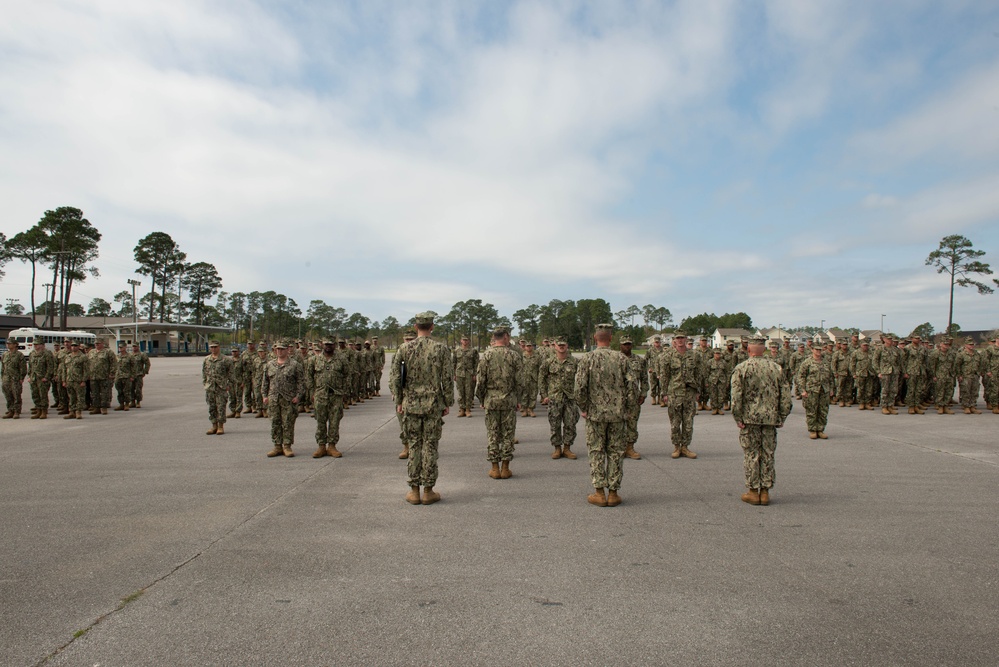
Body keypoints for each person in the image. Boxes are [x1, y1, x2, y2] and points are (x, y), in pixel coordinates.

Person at [391, 312, 453, 505]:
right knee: (430, 446)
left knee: (415, 446)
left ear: (416, 327)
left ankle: (414, 491)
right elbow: (447, 379)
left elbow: (395, 378)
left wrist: (400, 401)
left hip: (411, 405)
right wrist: (447, 401)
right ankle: (428, 490)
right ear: (432, 326)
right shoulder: (441, 349)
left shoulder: (404, 348)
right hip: (433, 405)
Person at [574, 323, 635, 507]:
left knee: (596, 451)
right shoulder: (622, 359)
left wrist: (584, 407)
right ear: (610, 338)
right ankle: (614, 493)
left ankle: (600, 493)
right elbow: (632, 387)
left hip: (595, 415)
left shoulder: (587, 359)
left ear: (595, 338)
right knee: (616, 452)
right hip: (617, 415)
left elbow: (579, 388)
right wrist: (628, 409)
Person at [730, 336, 793, 505]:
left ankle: (753, 491)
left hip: (749, 419)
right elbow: (786, 396)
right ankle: (765, 491)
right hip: (770, 419)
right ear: (764, 350)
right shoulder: (776, 368)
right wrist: (782, 416)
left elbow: (736, 397)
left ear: (748, 350)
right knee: (768, 453)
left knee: (752, 454)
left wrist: (737, 417)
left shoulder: (742, 369)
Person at [476, 325, 522, 480]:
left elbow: (480, 381)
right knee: (508, 435)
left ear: (494, 338)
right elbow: (520, 381)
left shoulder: (486, 356)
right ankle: (505, 468)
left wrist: (482, 399)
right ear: (506, 337)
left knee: (493, 434)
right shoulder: (514, 356)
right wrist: (518, 400)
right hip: (509, 401)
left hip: (491, 400)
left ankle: (494, 468)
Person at [657, 330, 701, 459]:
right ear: (674, 340)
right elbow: (665, 376)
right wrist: (664, 393)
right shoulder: (668, 356)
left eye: (682, 337)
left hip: (689, 393)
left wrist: (698, 391)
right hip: (674, 393)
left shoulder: (694, 355)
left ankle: (685, 447)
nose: (680, 340)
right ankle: (676, 447)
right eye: (678, 338)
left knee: (688, 422)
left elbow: (698, 374)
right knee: (675, 423)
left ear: (686, 339)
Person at [538, 336, 579, 460]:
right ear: (555, 346)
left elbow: (582, 378)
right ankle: (557, 448)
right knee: (554, 424)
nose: (561, 347)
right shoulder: (548, 362)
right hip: (554, 398)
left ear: (567, 346)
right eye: (559, 345)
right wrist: (544, 395)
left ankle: (567, 448)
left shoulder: (574, 362)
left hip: (570, 397)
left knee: (570, 423)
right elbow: (542, 378)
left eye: (563, 345)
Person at [262, 340, 305, 456]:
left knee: (288, 422)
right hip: (273, 398)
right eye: (277, 349)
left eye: (282, 349)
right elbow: (265, 381)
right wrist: (264, 395)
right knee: (275, 422)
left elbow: (301, 383)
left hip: (288, 398)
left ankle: (287, 446)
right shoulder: (270, 364)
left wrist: (298, 396)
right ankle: (277, 446)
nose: (279, 351)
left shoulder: (295, 365)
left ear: (287, 350)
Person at [310, 339, 350, 458]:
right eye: (326, 344)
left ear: (334, 345)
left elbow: (347, 375)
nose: (328, 347)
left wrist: (344, 392)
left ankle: (332, 446)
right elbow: (309, 376)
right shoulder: (315, 359)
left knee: (334, 421)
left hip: (336, 395)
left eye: (330, 344)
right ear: (322, 345)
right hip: (320, 395)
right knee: (320, 421)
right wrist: (312, 392)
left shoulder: (341, 359)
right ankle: (321, 446)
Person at [390, 329, 418, 458]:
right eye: (407, 340)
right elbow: (394, 375)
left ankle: (417, 448)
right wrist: (394, 392)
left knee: (417, 423)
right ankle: (406, 446)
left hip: (418, 395)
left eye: (411, 340)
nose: (408, 342)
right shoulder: (398, 354)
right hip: (403, 395)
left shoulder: (421, 355)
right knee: (403, 422)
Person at [619, 336, 647, 459]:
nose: (627, 346)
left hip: (634, 398)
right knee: (617, 424)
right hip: (617, 398)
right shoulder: (615, 359)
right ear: (620, 345)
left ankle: (630, 448)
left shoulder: (639, 361)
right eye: (625, 344)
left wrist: (643, 393)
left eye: (629, 344)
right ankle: (618, 448)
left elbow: (644, 379)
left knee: (632, 423)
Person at [797, 344, 833, 439]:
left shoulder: (826, 362)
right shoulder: (807, 362)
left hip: (824, 389)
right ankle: (813, 430)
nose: (818, 352)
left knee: (823, 411)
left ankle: (820, 429)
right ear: (812, 350)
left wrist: (831, 389)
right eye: (816, 350)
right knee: (811, 410)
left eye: (820, 350)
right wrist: (802, 390)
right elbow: (801, 376)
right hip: (811, 390)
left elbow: (831, 377)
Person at [202, 341, 234, 435]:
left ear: (219, 347)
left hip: (221, 387)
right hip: (210, 387)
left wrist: (228, 385)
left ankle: (220, 426)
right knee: (212, 407)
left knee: (221, 407)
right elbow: (204, 373)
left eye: (215, 347)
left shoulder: (226, 359)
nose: (213, 349)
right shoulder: (206, 359)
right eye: (212, 347)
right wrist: (205, 384)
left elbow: (231, 374)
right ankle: (214, 425)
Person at [27, 338, 56, 419]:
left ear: (41, 345)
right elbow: (30, 366)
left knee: (43, 395)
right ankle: (38, 410)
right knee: (35, 394)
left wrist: (47, 377)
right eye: (34, 344)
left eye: (37, 344)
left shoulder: (47, 353)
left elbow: (50, 367)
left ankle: (43, 411)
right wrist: (29, 376)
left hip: (42, 378)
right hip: (34, 377)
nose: (35, 346)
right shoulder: (32, 353)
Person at [956, 337, 984, 414]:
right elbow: (957, 365)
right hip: (966, 376)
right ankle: (966, 406)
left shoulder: (976, 354)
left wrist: (979, 372)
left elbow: (980, 364)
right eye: (970, 344)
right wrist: (959, 375)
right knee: (966, 392)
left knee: (974, 392)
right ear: (965, 345)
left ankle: (973, 406)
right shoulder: (961, 354)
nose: (971, 346)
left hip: (975, 375)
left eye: (972, 344)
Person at [2, 336, 28, 419]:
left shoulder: (19, 355)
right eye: (7, 344)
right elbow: (3, 367)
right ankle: (10, 410)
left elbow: (23, 368)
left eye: (10, 344)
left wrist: (21, 378)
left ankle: (17, 411)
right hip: (6, 378)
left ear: (15, 345)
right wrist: (2, 377)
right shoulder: (5, 355)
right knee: (8, 395)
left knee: (16, 395)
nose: (8, 345)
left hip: (15, 379)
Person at [453, 335, 479, 417]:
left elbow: (476, 363)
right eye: (463, 340)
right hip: (459, 373)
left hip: (469, 373)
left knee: (468, 392)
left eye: (466, 340)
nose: (465, 341)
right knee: (460, 392)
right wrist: (454, 374)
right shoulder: (456, 351)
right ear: (461, 341)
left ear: (469, 341)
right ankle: (462, 409)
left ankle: (468, 409)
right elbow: (454, 363)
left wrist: (475, 374)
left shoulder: (473, 351)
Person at [876, 335, 902, 415]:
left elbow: (899, 361)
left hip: (894, 372)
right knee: (885, 390)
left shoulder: (895, 350)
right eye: (888, 339)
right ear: (884, 339)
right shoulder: (880, 349)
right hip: (885, 372)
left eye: (891, 339)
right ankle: (884, 406)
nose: (890, 340)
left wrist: (899, 370)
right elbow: (875, 361)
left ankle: (890, 405)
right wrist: (878, 371)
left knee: (893, 390)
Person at [62, 342, 89, 419]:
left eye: (75, 346)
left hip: (78, 380)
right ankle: (71, 412)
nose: (73, 347)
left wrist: (84, 380)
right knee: (71, 397)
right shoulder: (68, 356)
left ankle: (78, 412)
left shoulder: (83, 357)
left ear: (79, 347)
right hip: (69, 380)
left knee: (80, 397)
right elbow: (64, 369)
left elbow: (86, 370)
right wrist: (64, 380)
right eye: (72, 346)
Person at [520, 341, 541, 418]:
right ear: (525, 347)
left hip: (534, 378)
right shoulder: (521, 356)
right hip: (524, 378)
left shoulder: (537, 356)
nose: (528, 347)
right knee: (524, 395)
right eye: (527, 346)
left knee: (533, 395)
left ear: (532, 347)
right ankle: (524, 409)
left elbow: (540, 367)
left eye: (530, 346)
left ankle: (531, 409)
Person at [113, 342, 135, 411]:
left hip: (126, 376)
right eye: (119, 347)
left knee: (127, 391)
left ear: (125, 347)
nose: (120, 348)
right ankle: (121, 404)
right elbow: (114, 366)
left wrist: (132, 376)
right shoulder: (117, 356)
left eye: (121, 347)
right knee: (119, 391)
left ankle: (127, 404)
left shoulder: (130, 356)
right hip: (118, 376)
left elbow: (133, 367)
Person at [705, 348, 729, 414]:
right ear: (714, 354)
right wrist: (706, 382)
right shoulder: (710, 362)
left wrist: (727, 382)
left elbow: (727, 372)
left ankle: (719, 408)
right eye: (716, 354)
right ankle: (714, 408)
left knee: (721, 395)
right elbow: (707, 372)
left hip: (721, 380)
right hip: (712, 380)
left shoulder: (723, 362)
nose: (717, 355)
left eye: (719, 354)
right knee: (713, 395)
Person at [129, 343, 150, 408]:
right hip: (130, 375)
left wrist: (144, 372)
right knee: (130, 389)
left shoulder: (142, 354)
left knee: (138, 389)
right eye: (133, 346)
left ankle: (138, 402)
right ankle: (132, 401)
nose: (134, 348)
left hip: (138, 374)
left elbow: (147, 363)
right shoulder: (129, 355)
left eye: (135, 346)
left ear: (138, 347)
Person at [227, 347, 244, 418]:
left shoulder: (242, 361)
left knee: (238, 396)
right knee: (231, 396)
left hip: (239, 381)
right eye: (233, 351)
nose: (234, 353)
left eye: (235, 351)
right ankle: (233, 411)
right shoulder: (228, 361)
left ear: (238, 352)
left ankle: (238, 411)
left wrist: (243, 382)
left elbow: (245, 372)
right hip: (231, 382)